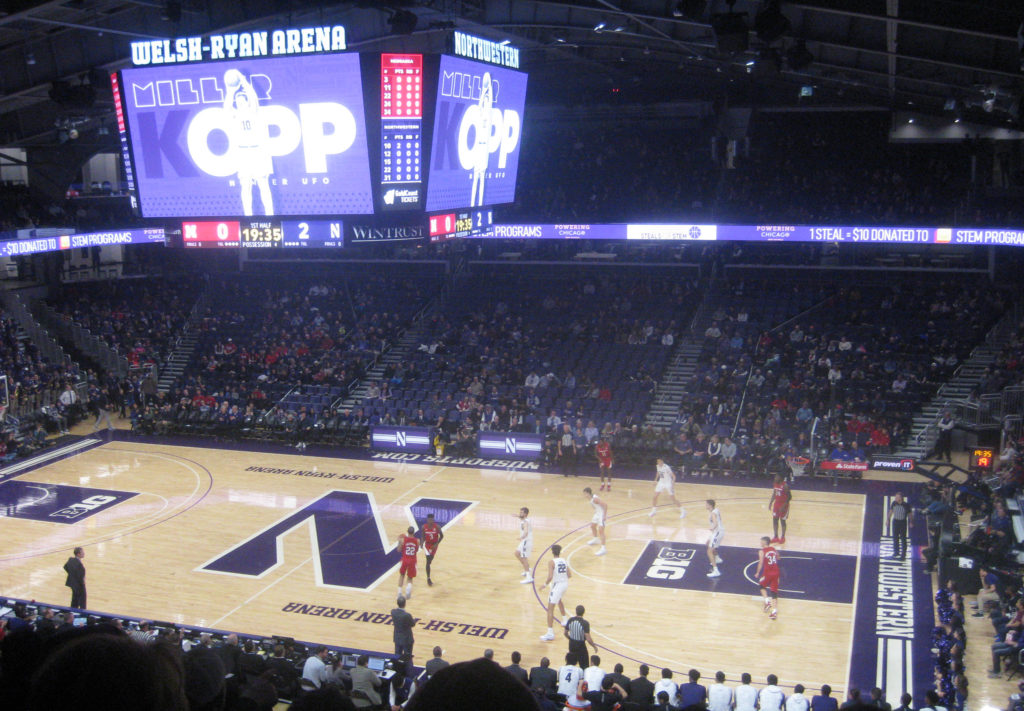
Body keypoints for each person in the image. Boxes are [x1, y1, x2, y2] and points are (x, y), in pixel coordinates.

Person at [224, 69, 275, 216]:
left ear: (246, 102)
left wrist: (243, 81)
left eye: (242, 100)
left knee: (263, 185)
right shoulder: (235, 115)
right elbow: (227, 107)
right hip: (243, 153)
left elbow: (253, 96)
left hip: (257, 151)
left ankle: (270, 215)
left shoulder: (253, 111)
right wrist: (231, 91)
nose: (240, 103)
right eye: (238, 101)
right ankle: (248, 215)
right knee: (245, 186)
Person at [539, 544, 571, 641]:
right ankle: (565, 620)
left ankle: (550, 633)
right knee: (559, 600)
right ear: (560, 552)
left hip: (557, 585)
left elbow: (550, 577)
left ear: (552, 552)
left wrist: (544, 585)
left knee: (550, 609)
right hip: (565, 584)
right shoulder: (564, 560)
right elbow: (569, 575)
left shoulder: (551, 562)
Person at [564, 605, 596, 672]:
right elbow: (588, 638)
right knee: (584, 666)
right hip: (580, 646)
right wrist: (594, 646)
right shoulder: (585, 623)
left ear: (576, 611)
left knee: (571, 663)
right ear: (583, 612)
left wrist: (570, 638)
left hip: (571, 644)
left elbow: (565, 633)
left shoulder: (570, 620)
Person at [756, 536, 781, 620]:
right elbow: (778, 557)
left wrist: (757, 572)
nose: (760, 543)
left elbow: (760, 563)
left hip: (768, 573)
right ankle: (774, 612)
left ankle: (767, 602)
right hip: (776, 572)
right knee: (774, 592)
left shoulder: (761, 551)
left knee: (761, 585)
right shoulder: (773, 549)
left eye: (761, 541)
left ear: (764, 542)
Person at [420, 513, 444, 586]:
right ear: (427, 520)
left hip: (434, 545)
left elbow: (442, 536)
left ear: (433, 519)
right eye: (429, 519)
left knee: (430, 561)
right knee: (428, 561)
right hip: (427, 545)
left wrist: (437, 544)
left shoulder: (437, 527)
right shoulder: (424, 527)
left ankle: (428, 573)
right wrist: (421, 543)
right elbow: (423, 537)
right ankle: (428, 578)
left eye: (432, 519)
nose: (430, 521)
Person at [583, 487, 608, 556]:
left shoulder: (595, 499)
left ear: (588, 493)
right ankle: (595, 539)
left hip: (601, 514)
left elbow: (605, 505)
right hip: (597, 513)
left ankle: (603, 549)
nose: (584, 495)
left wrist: (604, 516)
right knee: (592, 526)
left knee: (601, 531)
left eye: (585, 494)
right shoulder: (590, 499)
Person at [397, 526, 419, 599]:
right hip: (412, 560)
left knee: (402, 575)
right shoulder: (417, 541)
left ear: (407, 531)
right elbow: (416, 550)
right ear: (413, 532)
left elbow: (399, 550)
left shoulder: (403, 540)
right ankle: (408, 591)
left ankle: (399, 593)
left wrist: (399, 542)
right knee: (410, 578)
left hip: (404, 560)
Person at [769, 474, 791, 544]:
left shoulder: (785, 486)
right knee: (775, 519)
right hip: (776, 504)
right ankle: (775, 537)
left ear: (781, 478)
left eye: (777, 477)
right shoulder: (775, 484)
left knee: (782, 521)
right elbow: (774, 494)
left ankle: (783, 537)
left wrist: (783, 506)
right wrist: (770, 503)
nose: (775, 478)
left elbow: (790, 497)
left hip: (784, 505)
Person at [888, 492, 911, 560]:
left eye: (897, 497)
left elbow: (910, 514)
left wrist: (911, 522)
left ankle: (903, 555)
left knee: (903, 538)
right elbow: (891, 511)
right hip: (895, 522)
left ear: (901, 498)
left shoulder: (906, 505)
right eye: (895, 497)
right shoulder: (894, 503)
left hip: (902, 522)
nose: (896, 498)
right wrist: (888, 519)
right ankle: (896, 552)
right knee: (895, 538)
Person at [706, 499, 724, 578]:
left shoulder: (713, 513)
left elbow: (716, 523)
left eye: (706, 504)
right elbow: (719, 520)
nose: (705, 506)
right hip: (718, 532)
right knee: (708, 543)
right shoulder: (716, 510)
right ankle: (717, 558)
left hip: (717, 532)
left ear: (710, 505)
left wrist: (713, 528)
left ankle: (716, 570)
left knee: (709, 551)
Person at [516, 507, 534, 583]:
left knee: (524, 558)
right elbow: (521, 517)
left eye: (522, 513)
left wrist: (521, 537)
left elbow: (526, 532)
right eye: (520, 512)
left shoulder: (525, 522)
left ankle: (528, 577)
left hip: (525, 541)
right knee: (517, 553)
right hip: (524, 541)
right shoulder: (526, 519)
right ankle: (527, 568)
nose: (520, 514)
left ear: (525, 514)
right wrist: (516, 515)